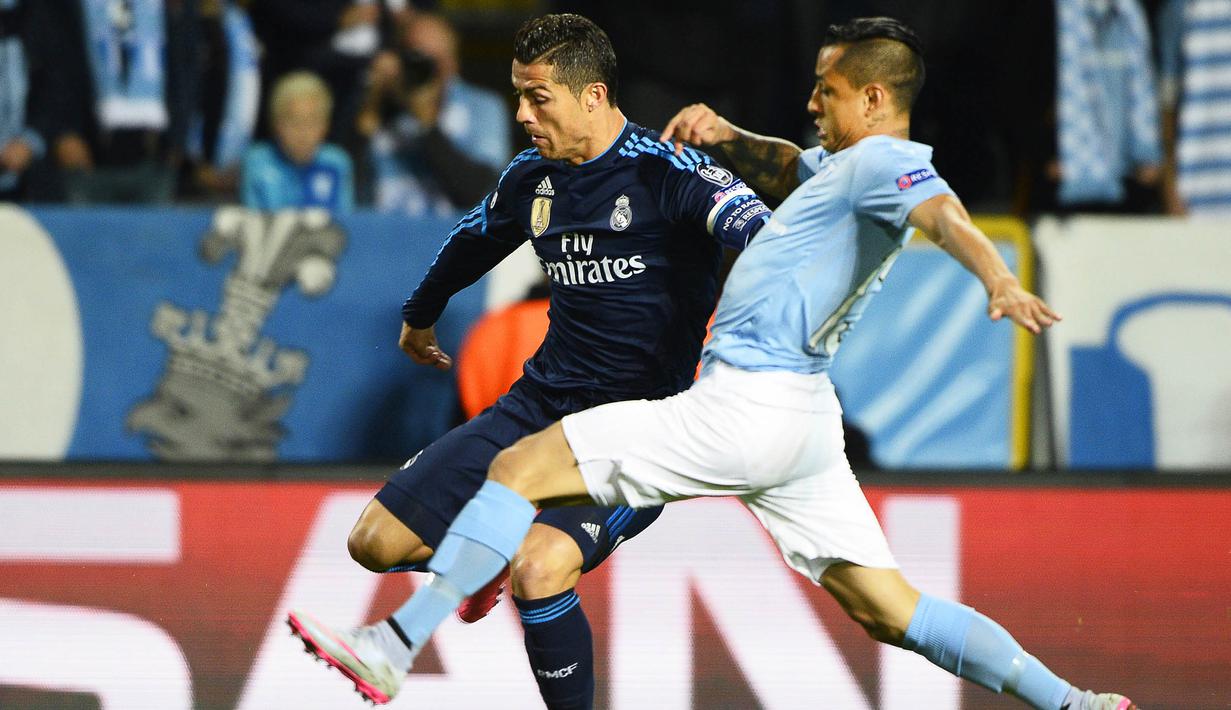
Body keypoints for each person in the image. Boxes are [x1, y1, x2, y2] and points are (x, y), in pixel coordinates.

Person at [287, 17, 1142, 710]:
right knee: (892, 611)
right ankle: (1073, 703)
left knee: (519, 471)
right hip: (801, 424)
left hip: (740, 402)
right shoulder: (842, 168)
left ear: (874, 97)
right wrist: (733, 134)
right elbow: (789, 166)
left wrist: (996, 275)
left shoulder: (886, 160)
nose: (811, 102)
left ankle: (393, 644)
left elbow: (940, 208)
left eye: (827, 90)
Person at [288, 13, 770, 709]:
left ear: (594, 96)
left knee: (540, 570)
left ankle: (473, 573)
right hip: (539, 407)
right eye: (517, 95)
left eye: (537, 97)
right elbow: (472, 240)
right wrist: (418, 315)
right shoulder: (533, 178)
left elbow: (766, 239)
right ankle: (479, 556)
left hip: (639, 432)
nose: (521, 114)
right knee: (374, 541)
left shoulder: (669, 174)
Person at [359, 11, 511, 215]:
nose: (428, 72)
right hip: (386, 239)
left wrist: (427, 123)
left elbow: (482, 194)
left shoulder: (483, 108)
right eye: (417, 59)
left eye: (436, 61)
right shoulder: (385, 105)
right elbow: (348, 180)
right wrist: (372, 98)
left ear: (453, 63)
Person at [241, 71, 354, 214]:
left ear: (325, 126)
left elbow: (346, 222)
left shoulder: (337, 162)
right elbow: (253, 221)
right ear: (277, 125)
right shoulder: (257, 160)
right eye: (294, 122)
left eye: (311, 122)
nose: (303, 132)